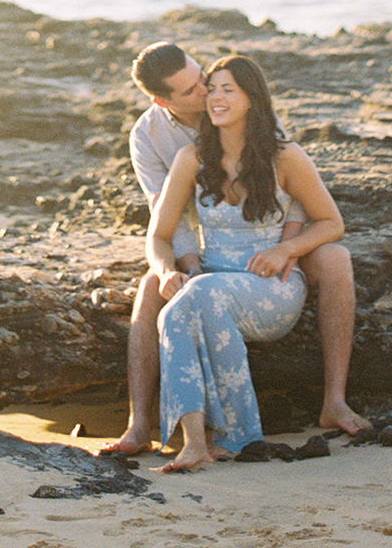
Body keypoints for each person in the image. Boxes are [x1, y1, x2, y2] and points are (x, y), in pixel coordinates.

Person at [99, 40, 367, 456]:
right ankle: (144, 428)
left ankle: (334, 400)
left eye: (206, 79)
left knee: (335, 256)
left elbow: (292, 195)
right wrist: (182, 269)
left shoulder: (255, 121)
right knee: (156, 287)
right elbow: (163, 222)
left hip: (267, 253)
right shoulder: (153, 139)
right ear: (162, 100)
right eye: (194, 91)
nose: (209, 93)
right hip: (208, 248)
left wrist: (285, 249)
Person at [147, 53, 345, 471]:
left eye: (227, 90)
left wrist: (284, 250)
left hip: (271, 289)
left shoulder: (285, 156)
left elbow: (331, 223)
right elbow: (159, 236)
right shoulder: (191, 159)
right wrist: (166, 271)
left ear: (252, 98)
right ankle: (196, 443)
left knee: (198, 293)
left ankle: (236, 434)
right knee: (173, 312)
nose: (214, 98)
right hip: (213, 284)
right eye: (211, 89)